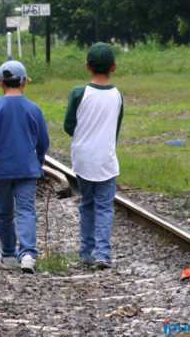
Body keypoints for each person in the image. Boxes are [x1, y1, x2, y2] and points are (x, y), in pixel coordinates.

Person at [0, 60, 50, 273]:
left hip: (1, 171)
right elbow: (43, 142)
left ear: (0, 83)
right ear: (24, 82)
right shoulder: (34, 109)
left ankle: (8, 255)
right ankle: (27, 254)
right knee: (26, 211)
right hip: (27, 170)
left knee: (5, 213)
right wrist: (39, 162)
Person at [63, 42, 124, 270]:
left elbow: (69, 125)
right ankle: (103, 254)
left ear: (87, 67)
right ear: (114, 67)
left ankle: (86, 252)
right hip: (106, 159)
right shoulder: (117, 95)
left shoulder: (79, 93)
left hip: (83, 159)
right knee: (105, 207)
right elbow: (115, 129)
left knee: (87, 204)